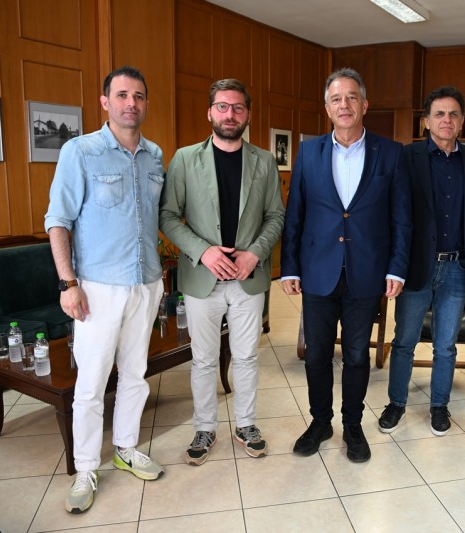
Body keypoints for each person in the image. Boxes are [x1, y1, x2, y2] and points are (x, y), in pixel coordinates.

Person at [45, 66, 166, 514]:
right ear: (105, 102)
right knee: (91, 383)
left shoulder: (154, 155)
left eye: (138, 96)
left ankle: (126, 449)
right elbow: (58, 221)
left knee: (135, 374)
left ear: (145, 103)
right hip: (97, 287)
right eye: (122, 95)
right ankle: (85, 468)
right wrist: (68, 283)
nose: (131, 103)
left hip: (146, 283)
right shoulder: (80, 151)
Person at [281, 68, 412, 462]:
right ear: (327, 108)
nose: (344, 105)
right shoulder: (309, 152)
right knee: (317, 355)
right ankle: (320, 422)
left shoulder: (390, 153)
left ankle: (352, 425)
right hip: (318, 272)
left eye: (352, 97)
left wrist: (396, 268)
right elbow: (295, 214)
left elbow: (401, 218)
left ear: (364, 105)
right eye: (336, 99)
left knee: (356, 355)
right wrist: (290, 266)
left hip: (366, 273)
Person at [159, 78, 285, 465]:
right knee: (203, 360)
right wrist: (204, 251)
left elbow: (276, 216)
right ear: (210, 112)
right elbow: (168, 216)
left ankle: (246, 425)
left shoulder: (264, 161)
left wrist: (254, 255)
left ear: (247, 114)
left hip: (249, 279)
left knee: (246, 358)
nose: (230, 114)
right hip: (203, 279)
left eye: (238, 107)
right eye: (223, 107)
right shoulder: (185, 159)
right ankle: (205, 428)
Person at [378, 86, 465, 436]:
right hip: (415, 267)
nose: (446, 120)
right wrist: (393, 267)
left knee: (446, 345)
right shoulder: (406, 157)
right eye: (439, 114)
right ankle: (396, 403)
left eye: (453, 114)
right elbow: (393, 215)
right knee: (404, 341)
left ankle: (439, 406)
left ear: (462, 121)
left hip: (457, 267)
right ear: (426, 121)